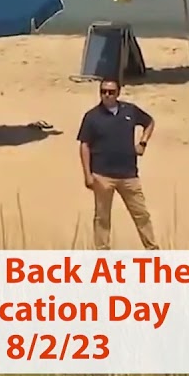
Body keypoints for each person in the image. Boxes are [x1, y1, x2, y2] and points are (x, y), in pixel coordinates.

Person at [76, 78, 159, 250]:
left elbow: (149, 122)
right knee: (102, 217)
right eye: (103, 91)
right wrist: (87, 175)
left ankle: (153, 251)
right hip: (102, 175)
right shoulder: (92, 117)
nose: (107, 95)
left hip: (129, 175)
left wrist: (142, 143)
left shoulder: (129, 111)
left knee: (141, 214)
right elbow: (84, 145)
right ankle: (102, 254)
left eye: (111, 92)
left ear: (118, 93)